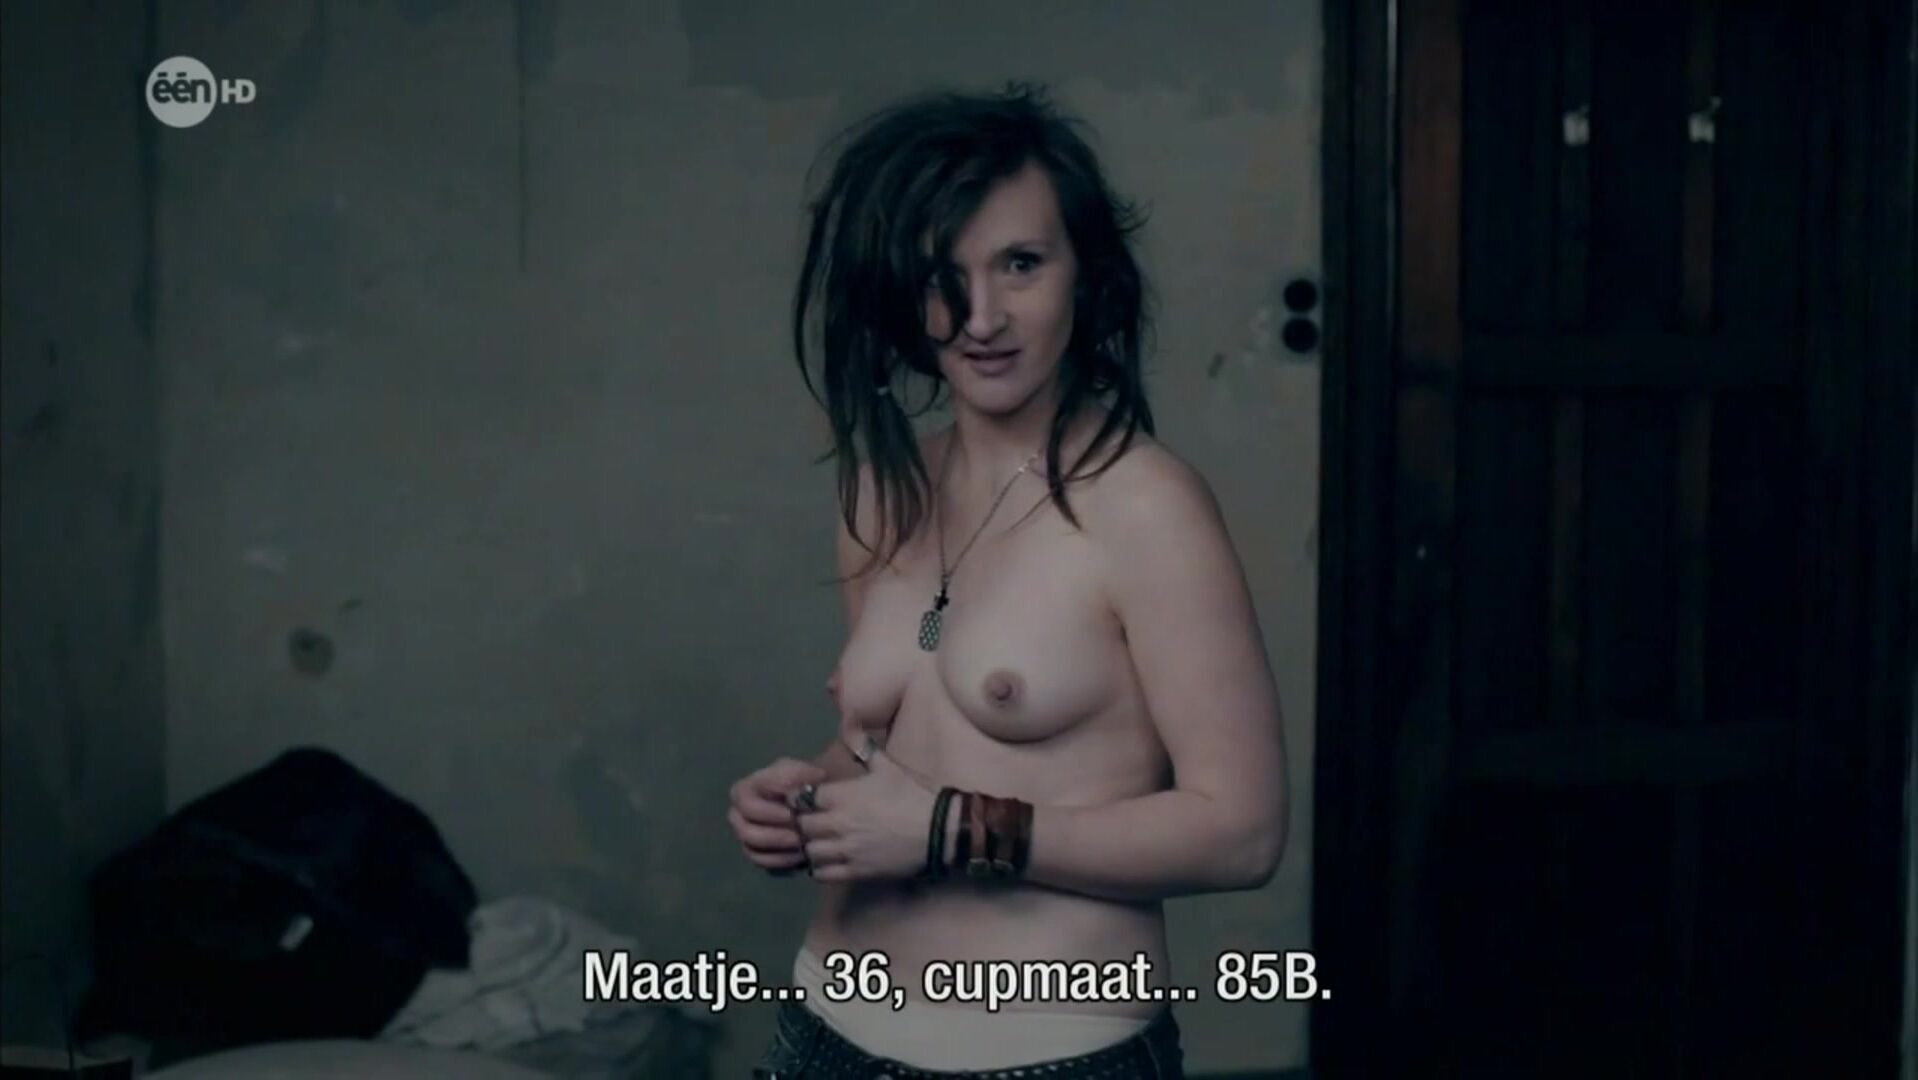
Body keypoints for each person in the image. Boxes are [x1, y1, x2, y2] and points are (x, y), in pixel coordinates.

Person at [728, 82, 1289, 1079]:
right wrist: (809, 797)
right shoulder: (883, 489)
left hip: (1046, 1053)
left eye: (1020, 264)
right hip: (826, 1031)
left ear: (1085, 272)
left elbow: (1241, 834)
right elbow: (889, 746)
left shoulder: (1143, 507)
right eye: (940, 276)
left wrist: (952, 831)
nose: (980, 317)